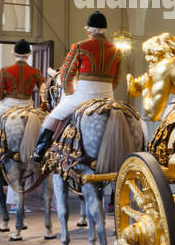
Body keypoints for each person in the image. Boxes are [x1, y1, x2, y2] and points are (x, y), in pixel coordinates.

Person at [33, 11, 122, 162]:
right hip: (108, 97)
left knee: (53, 116)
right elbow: (117, 79)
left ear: (88, 30)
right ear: (105, 30)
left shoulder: (80, 46)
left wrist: (69, 93)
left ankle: (38, 152)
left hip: (83, 96)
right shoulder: (117, 50)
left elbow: (66, 75)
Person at [0, 39, 45, 162]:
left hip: (8, 105)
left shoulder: (5, 71)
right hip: (29, 106)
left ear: (14, 53)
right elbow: (44, 89)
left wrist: (3, 99)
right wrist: (43, 103)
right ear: (29, 54)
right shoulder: (36, 72)